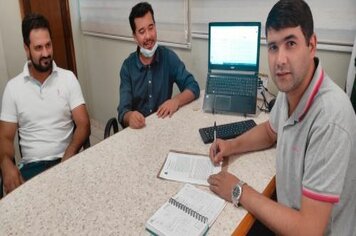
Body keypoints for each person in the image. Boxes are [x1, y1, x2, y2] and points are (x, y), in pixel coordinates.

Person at [207, 0, 356, 235]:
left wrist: (238, 190)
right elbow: (269, 132)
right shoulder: (292, 92)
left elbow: (309, 230)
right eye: (273, 47)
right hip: (287, 214)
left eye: (291, 43)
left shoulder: (330, 117)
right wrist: (231, 145)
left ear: (312, 45)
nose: (280, 59)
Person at [0, 13, 90, 194]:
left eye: (48, 45)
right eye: (38, 48)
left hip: (66, 159)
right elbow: (5, 138)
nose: (46, 53)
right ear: (26, 48)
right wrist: (6, 165)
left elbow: (84, 124)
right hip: (32, 168)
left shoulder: (68, 78)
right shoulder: (13, 88)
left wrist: (70, 154)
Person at [118, 2, 200, 129]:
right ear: (134, 36)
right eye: (141, 31)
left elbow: (193, 87)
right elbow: (123, 111)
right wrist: (130, 116)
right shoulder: (127, 67)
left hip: (163, 126)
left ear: (155, 27)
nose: (148, 36)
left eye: (151, 28)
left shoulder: (168, 57)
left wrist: (175, 101)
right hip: (138, 131)